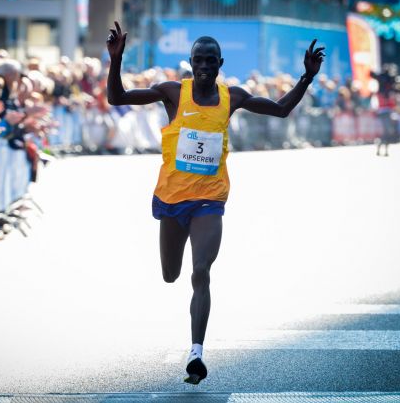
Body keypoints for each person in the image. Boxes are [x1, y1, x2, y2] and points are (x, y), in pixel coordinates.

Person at [106, 21, 324, 384]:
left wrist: (306, 78)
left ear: (220, 63)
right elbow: (118, 98)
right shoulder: (173, 92)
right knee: (170, 274)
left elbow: (281, 109)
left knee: (201, 271)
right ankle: (191, 331)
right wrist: (116, 61)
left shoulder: (232, 97)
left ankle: (196, 352)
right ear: (190, 63)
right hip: (173, 198)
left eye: (211, 60)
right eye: (198, 60)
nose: (204, 66)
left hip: (210, 199)